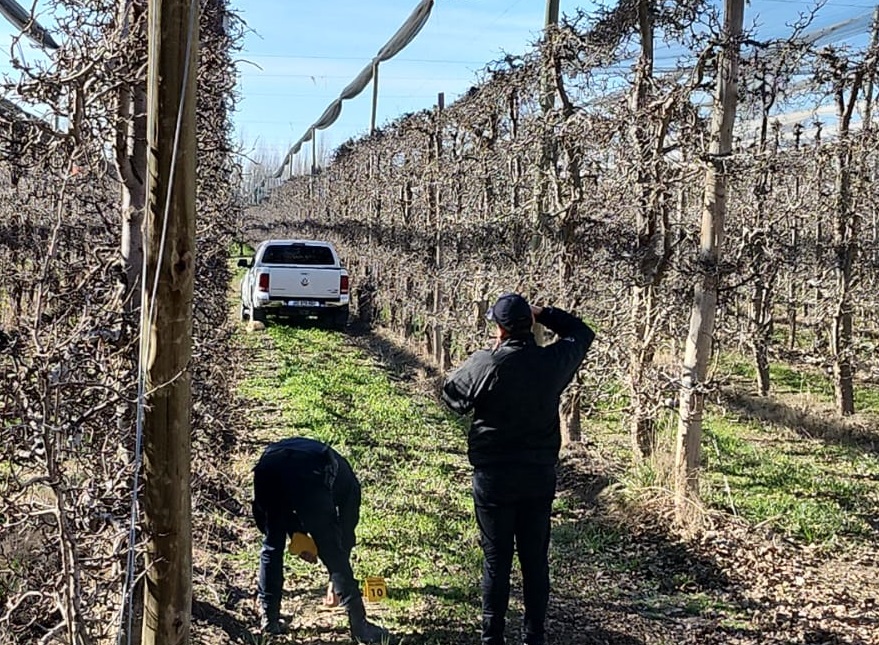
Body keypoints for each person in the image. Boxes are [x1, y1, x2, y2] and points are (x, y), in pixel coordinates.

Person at [441, 293, 595, 645]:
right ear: (532, 323)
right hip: (538, 476)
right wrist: (545, 313)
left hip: (494, 477)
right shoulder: (552, 363)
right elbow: (582, 333)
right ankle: (533, 636)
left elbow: (451, 395)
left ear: (498, 328)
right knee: (534, 558)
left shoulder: (486, 364)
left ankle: (492, 637)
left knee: (497, 560)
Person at [251, 436, 389, 643]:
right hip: (309, 470)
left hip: (268, 466)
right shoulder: (349, 486)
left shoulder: (345, 483)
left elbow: (268, 520)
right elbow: (341, 540)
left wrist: (295, 534)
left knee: (272, 544)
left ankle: (269, 620)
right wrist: (334, 571)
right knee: (331, 550)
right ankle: (360, 626)